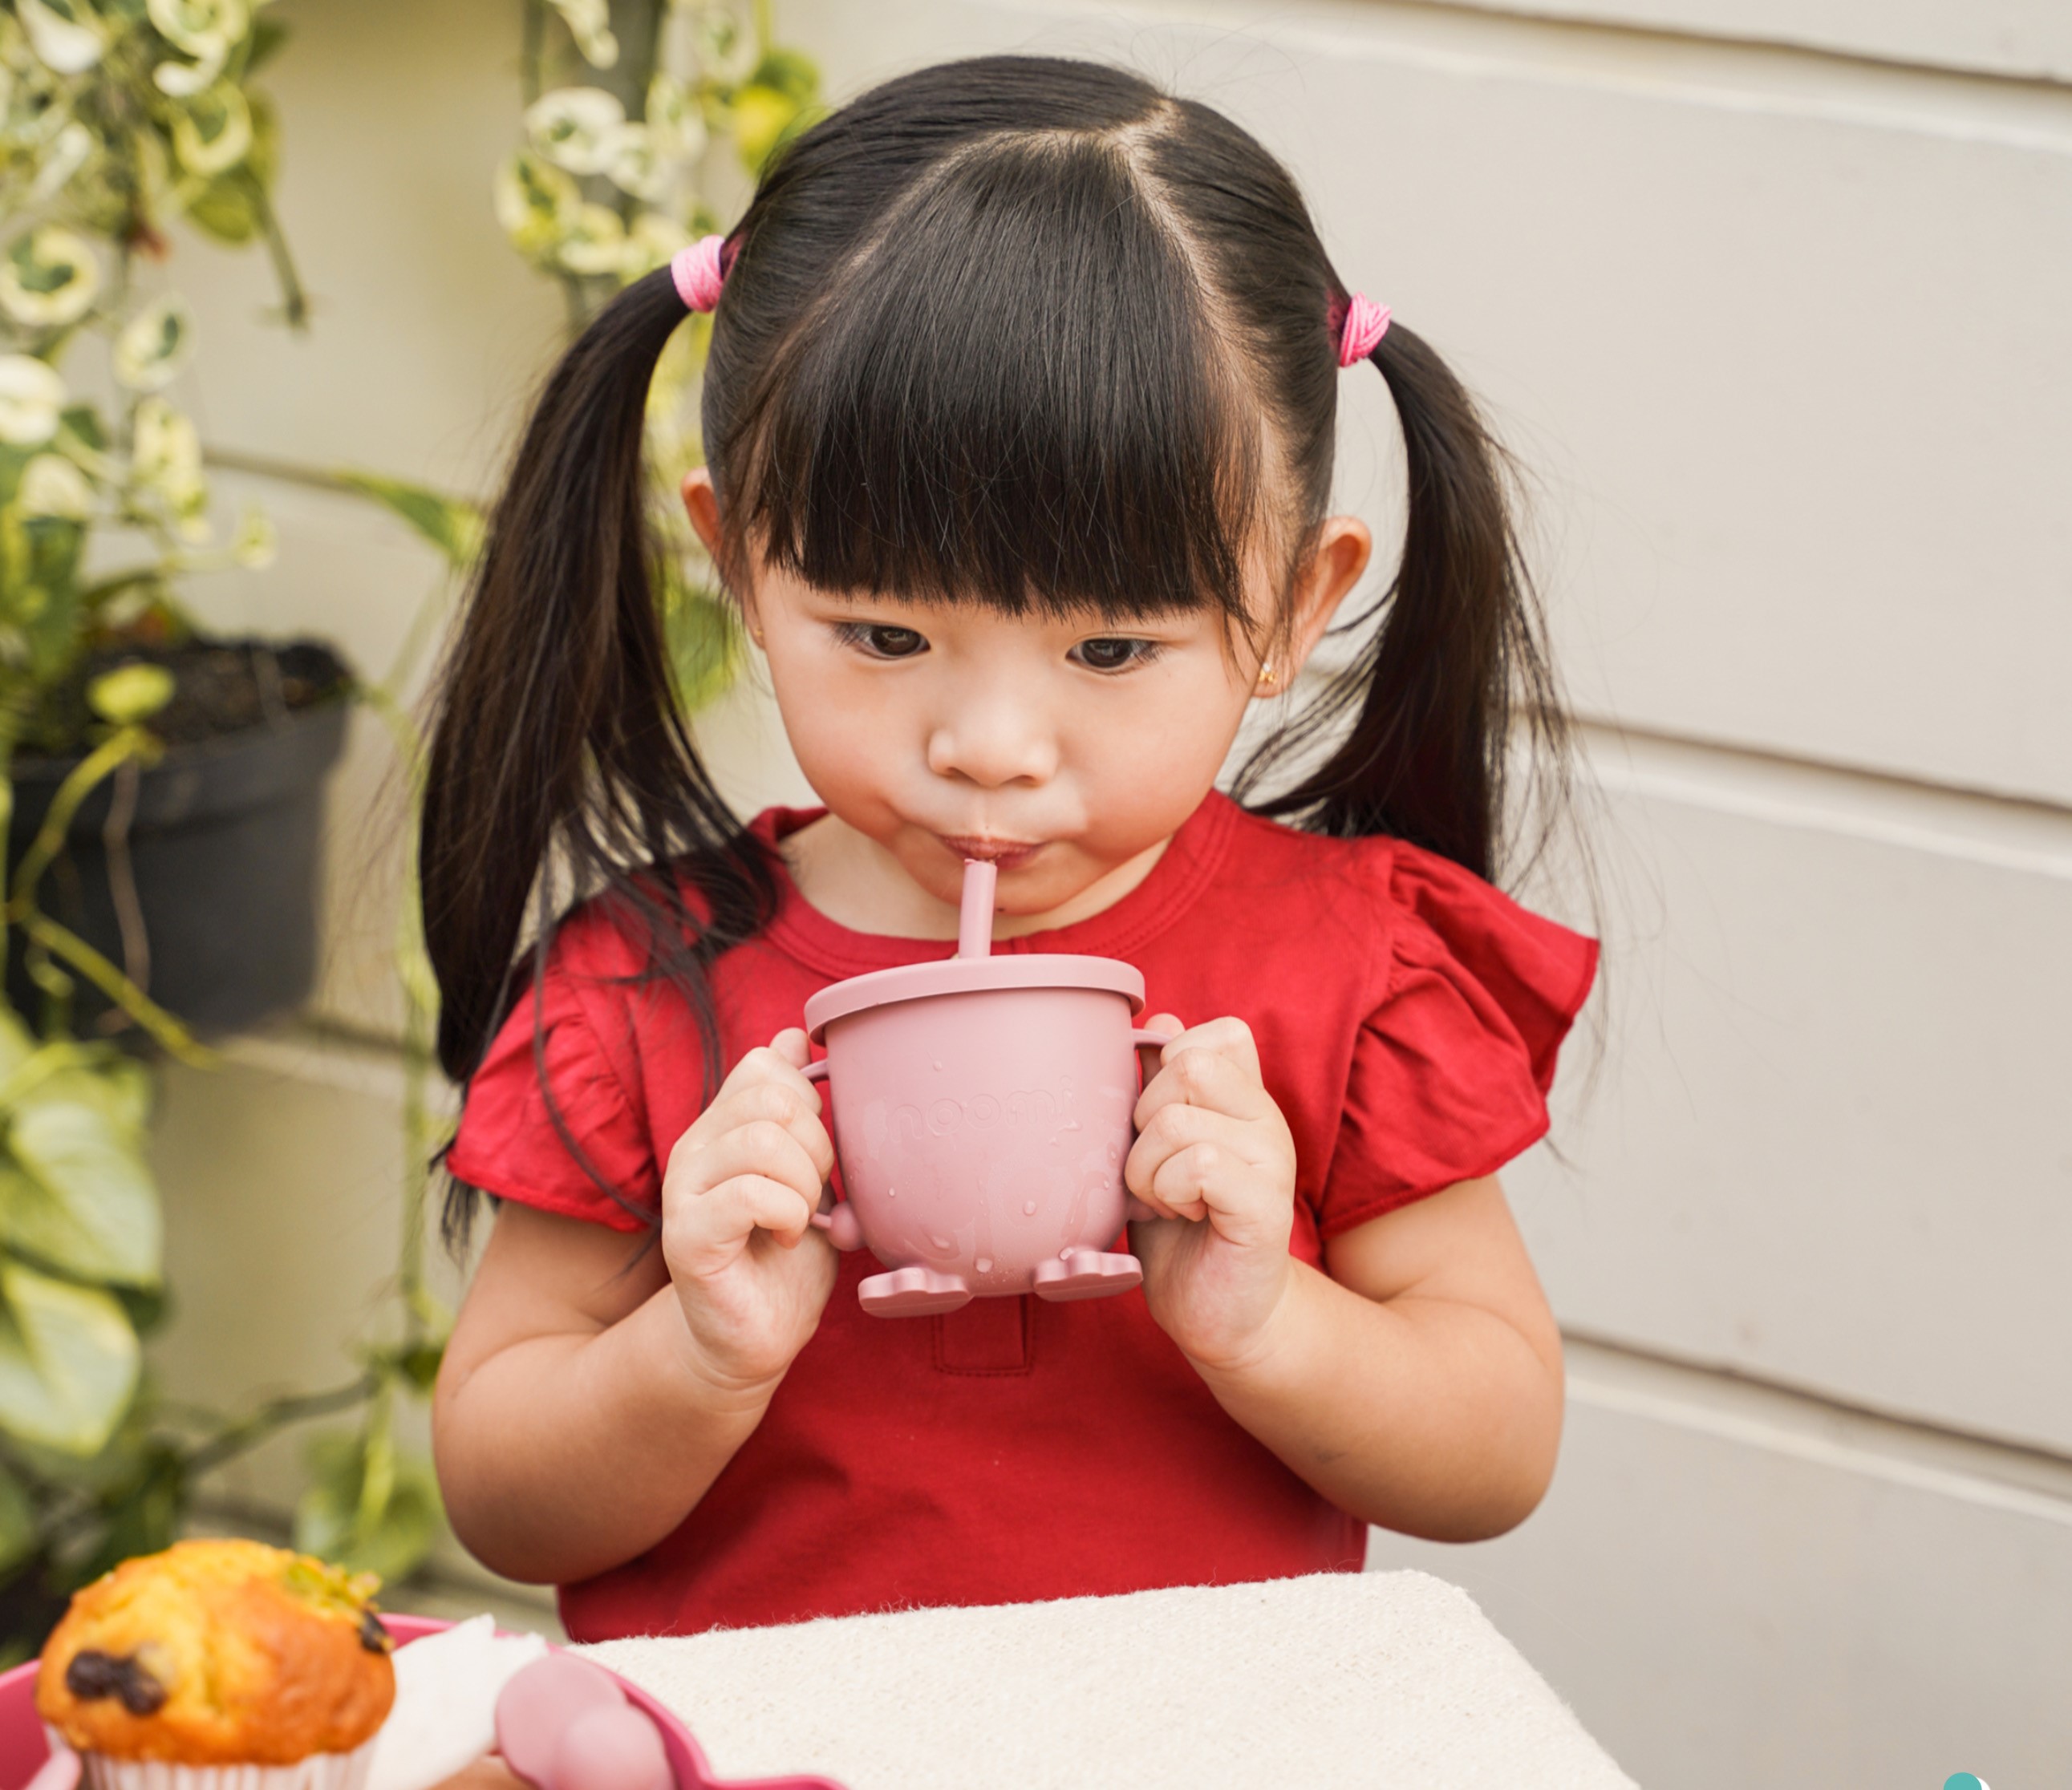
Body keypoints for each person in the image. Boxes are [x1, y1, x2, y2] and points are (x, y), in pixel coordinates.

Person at [426, 55, 1600, 1642]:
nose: (986, 742)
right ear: (737, 566)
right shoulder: (645, 984)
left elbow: (1492, 1451)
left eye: (1110, 651)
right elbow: (499, 1495)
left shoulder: (1347, 971)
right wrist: (692, 1355)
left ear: (1289, 614)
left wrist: (1264, 1321)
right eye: (883, 630)